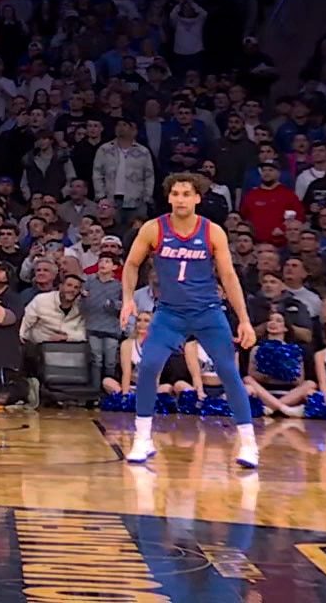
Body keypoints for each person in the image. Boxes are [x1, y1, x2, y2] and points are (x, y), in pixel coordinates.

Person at [119, 172, 260, 469]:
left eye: (187, 194)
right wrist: (129, 298)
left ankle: (248, 443)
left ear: (198, 198)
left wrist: (244, 320)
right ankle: (142, 438)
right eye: (176, 194)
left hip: (208, 310)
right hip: (169, 312)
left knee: (228, 371)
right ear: (169, 197)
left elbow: (229, 277)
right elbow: (131, 264)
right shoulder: (153, 228)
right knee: (148, 367)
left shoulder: (212, 232)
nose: (181, 199)